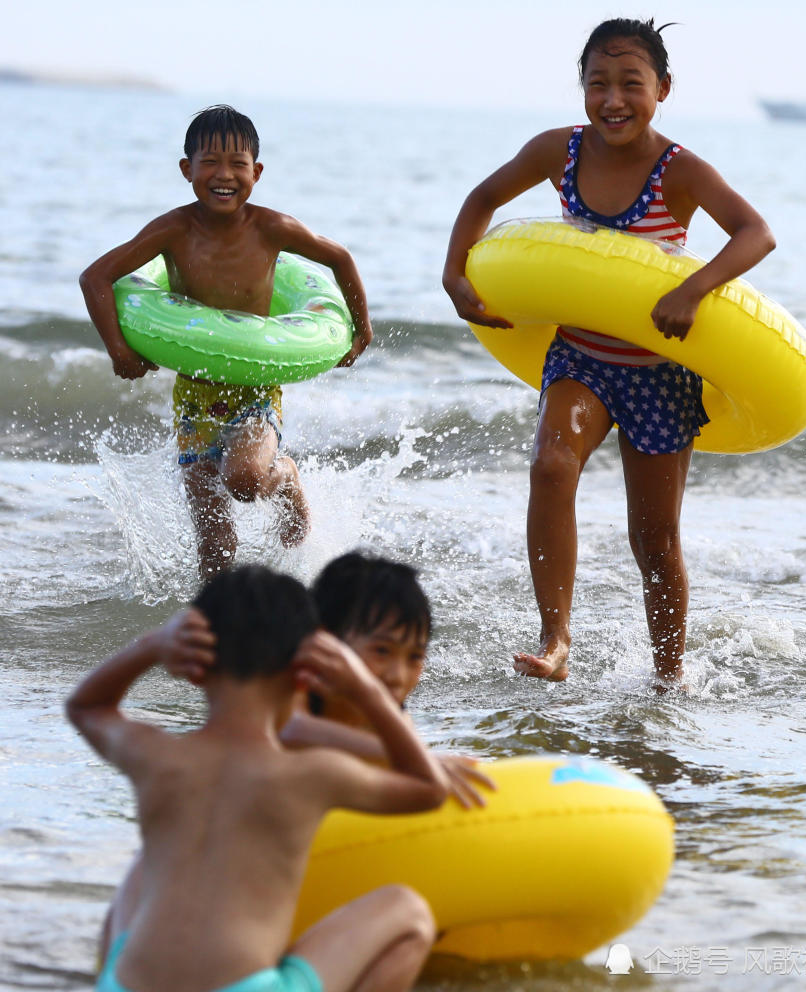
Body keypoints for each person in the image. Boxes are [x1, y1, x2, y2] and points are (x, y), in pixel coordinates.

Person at [442, 17, 775, 686]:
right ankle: (556, 639)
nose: (613, 100)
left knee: (654, 538)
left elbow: (755, 233)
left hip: (658, 371)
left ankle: (668, 675)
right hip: (582, 356)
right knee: (549, 465)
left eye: (632, 84)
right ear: (582, 89)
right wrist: (455, 275)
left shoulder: (678, 170)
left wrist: (695, 288)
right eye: (598, 83)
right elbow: (483, 197)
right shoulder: (558, 152)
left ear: (664, 89)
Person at [67, 565, 448, 992]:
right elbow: (431, 788)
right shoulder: (313, 774)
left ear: (194, 667)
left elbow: (86, 708)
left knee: (144, 870)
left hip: (124, 986)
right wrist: (364, 688)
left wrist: (152, 646)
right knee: (409, 912)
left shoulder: (155, 754)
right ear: (305, 675)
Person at [80, 105, 372, 578]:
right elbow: (96, 277)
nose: (224, 175)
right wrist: (119, 349)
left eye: (238, 164)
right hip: (194, 396)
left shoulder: (272, 228)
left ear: (256, 172)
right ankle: (222, 629)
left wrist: (362, 328)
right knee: (214, 540)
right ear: (186, 169)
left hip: (256, 387)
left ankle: (286, 475)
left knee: (244, 481)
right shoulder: (172, 230)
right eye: (210, 162)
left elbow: (339, 258)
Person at [284, 551, 495, 808]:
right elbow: (290, 729)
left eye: (415, 657)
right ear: (325, 641)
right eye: (382, 651)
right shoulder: (292, 679)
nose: (398, 676)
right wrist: (421, 758)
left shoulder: (391, 706)